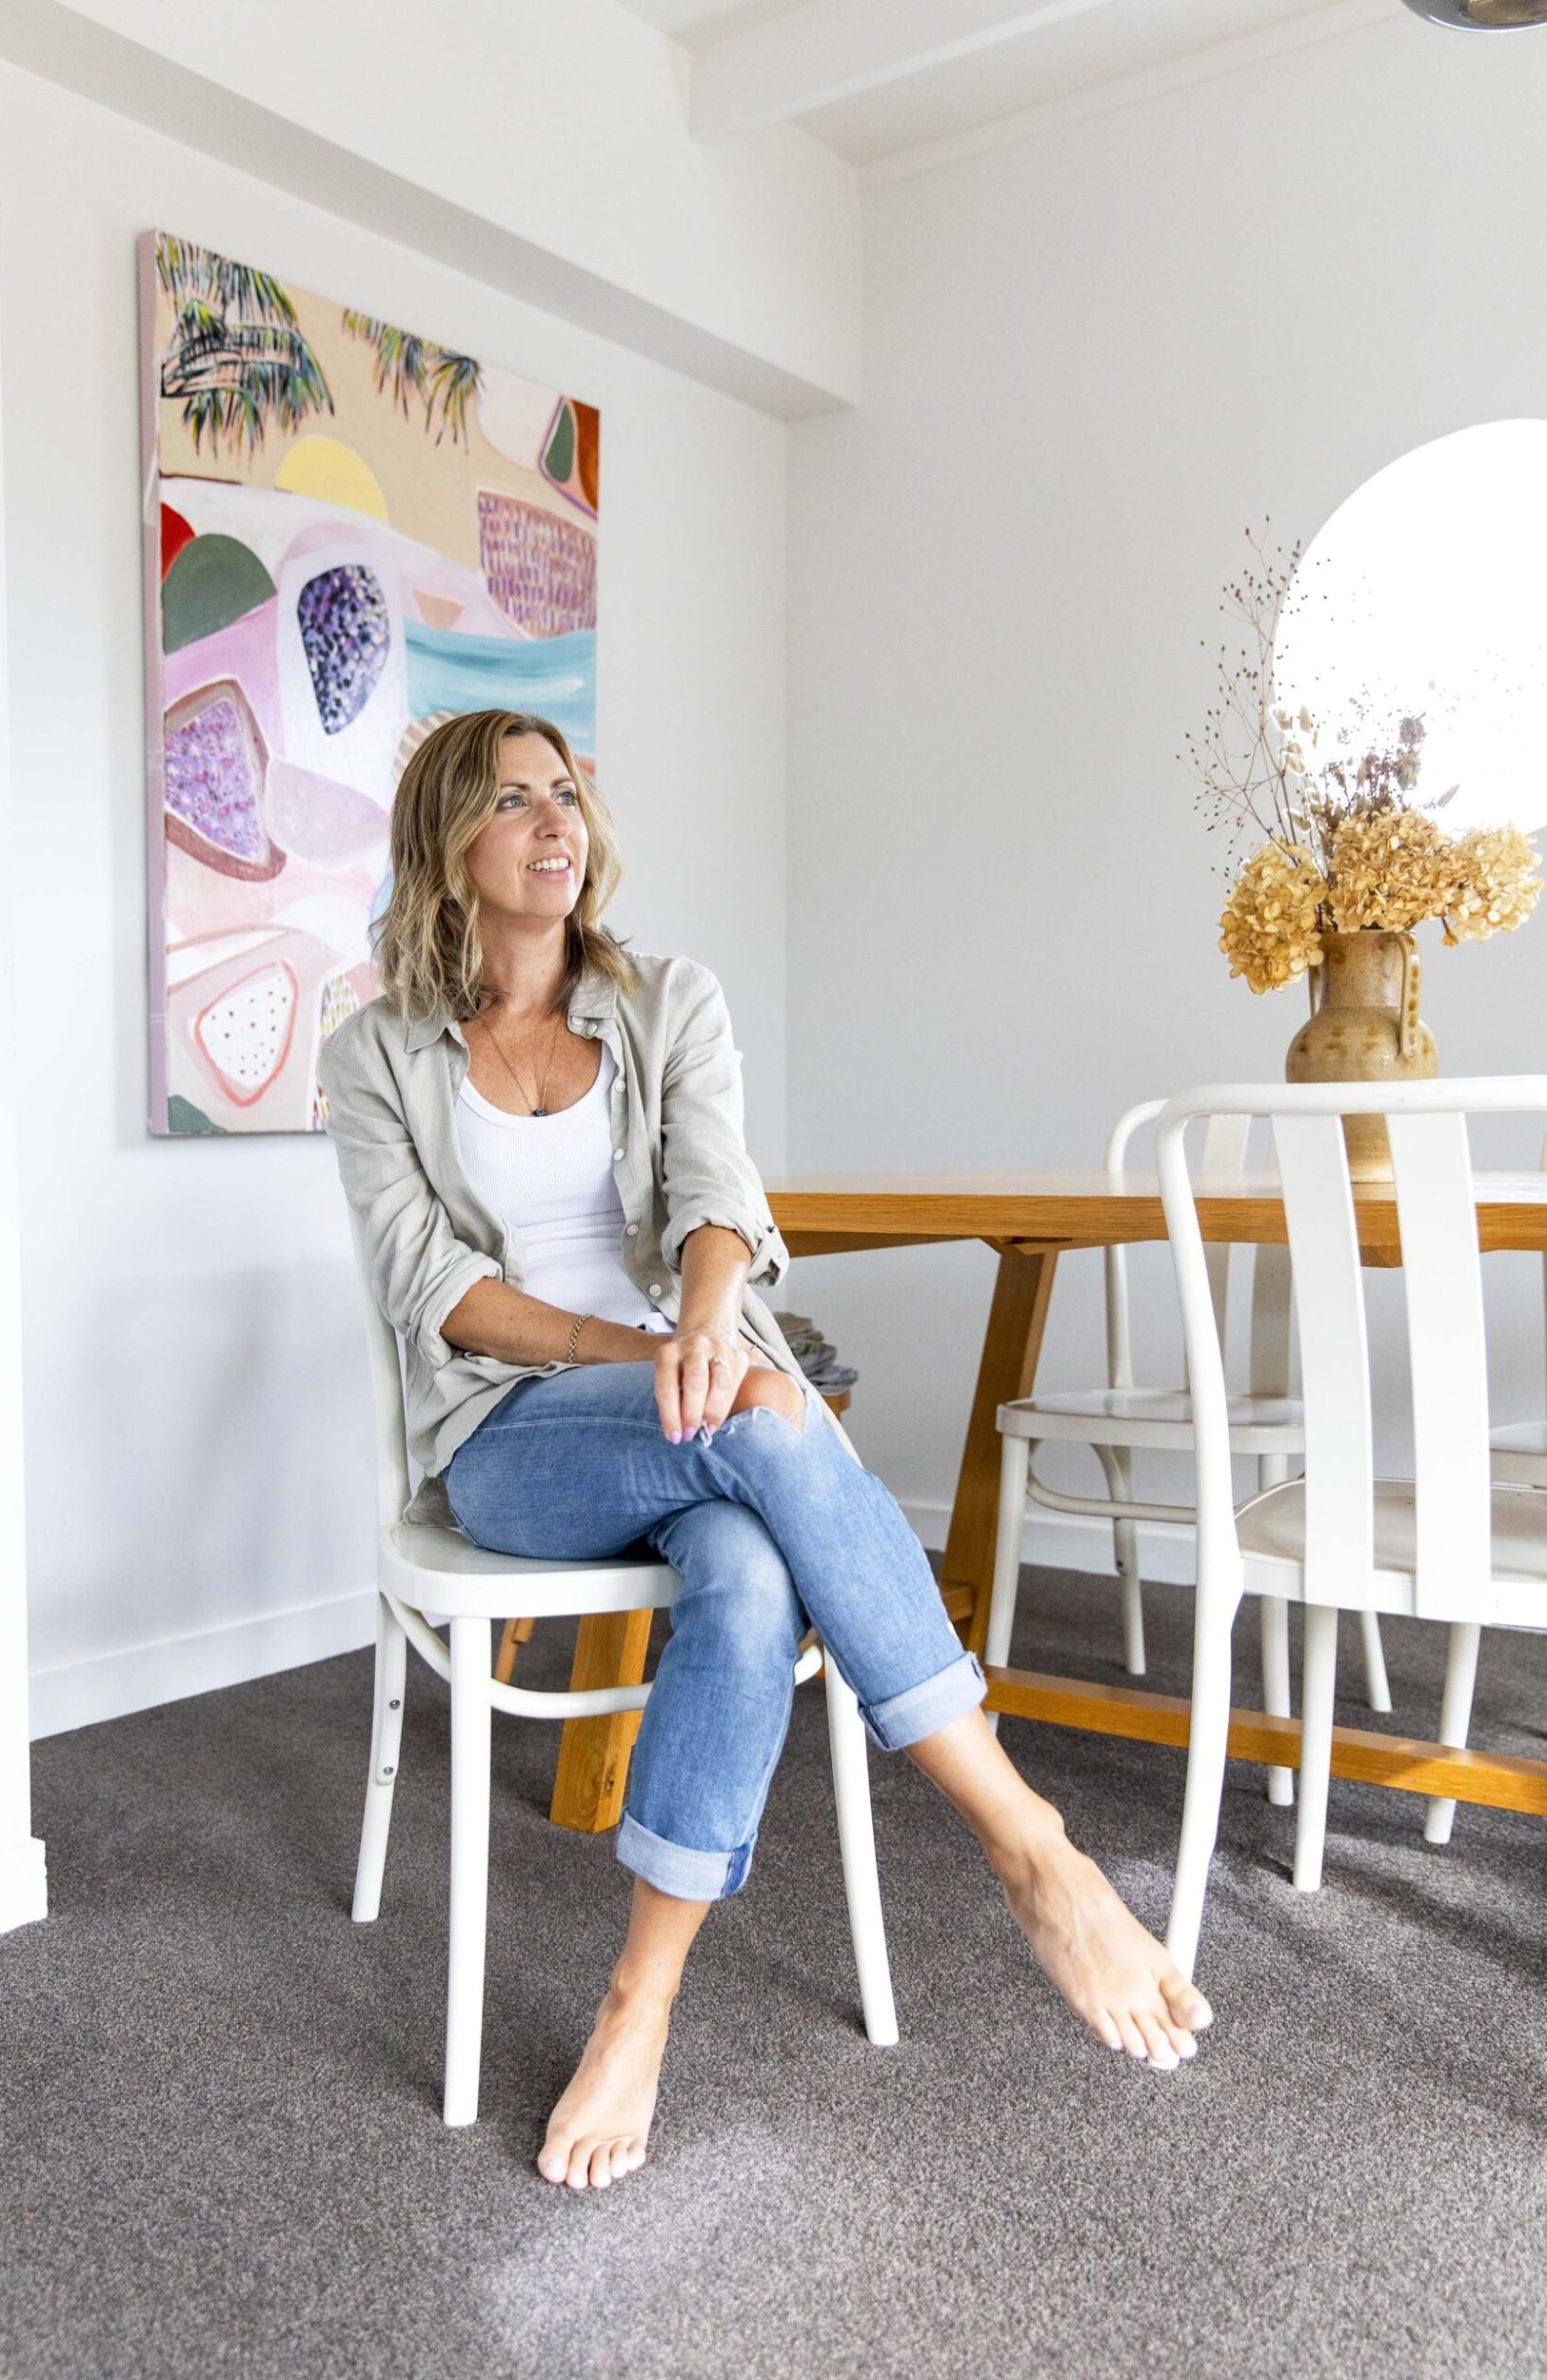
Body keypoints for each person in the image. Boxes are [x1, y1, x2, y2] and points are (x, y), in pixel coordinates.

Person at [318, 707, 1213, 2193]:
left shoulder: (668, 999)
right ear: (447, 844)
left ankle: (639, 2002)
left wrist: (710, 1325)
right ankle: (1028, 1841)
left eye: (569, 793)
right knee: (763, 1425)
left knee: (743, 1571)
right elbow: (441, 1294)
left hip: (702, 1413)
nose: (558, 821)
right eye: (515, 800)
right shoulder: (375, 1057)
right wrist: (655, 1357)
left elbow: (716, 1194)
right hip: (515, 1440)